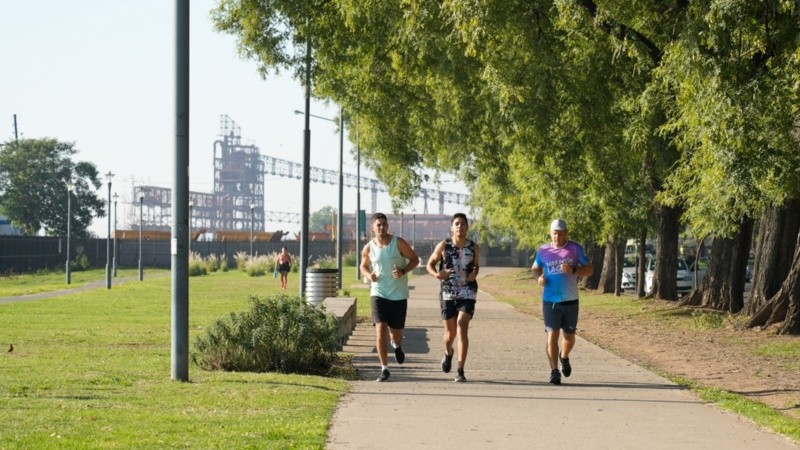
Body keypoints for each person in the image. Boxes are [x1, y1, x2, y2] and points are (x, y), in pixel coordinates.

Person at [531, 219, 594, 385]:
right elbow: (535, 268)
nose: (557, 237)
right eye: (554, 233)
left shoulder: (575, 248)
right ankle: (554, 371)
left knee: (569, 337)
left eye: (560, 234)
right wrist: (539, 278)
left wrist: (574, 269)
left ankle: (564, 357)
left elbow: (590, 269)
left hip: (570, 300)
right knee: (552, 335)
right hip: (550, 300)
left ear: (566, 233)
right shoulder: (543, 250)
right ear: (550, 233)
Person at [360, 212, 420, 382]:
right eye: (378, 225)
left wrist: (403, 271)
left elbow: (415, 260)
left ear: (387, 226)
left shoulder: (398, 243)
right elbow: (363, 266)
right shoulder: (368, 248)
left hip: (398, 295)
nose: (381, 227)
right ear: (372, 228)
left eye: (384, 224)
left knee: (396, 333)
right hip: (378, 293)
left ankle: (397, 345)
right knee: (380, 329)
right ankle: (384, 368)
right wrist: (369, 275)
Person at [426, 213, 479, 382]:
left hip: (467, 291)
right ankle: (448, 352)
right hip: (448, 292)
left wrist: (474, 273)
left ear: (467, 227)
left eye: (463, 223)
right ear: (451, 227)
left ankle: (460, 369)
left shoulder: (474, 247)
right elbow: (429, 264)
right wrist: (437, 275)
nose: (460, 226)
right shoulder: (444, 245)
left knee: (462, 324)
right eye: (457, 224)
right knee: (450, 334)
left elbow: (476, 266)